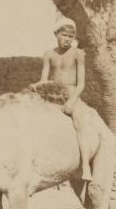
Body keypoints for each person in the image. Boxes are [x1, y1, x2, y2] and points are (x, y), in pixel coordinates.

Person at [37, 19, 95, 188]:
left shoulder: (78, 54)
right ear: (56, 35)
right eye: (64, 35)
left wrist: (71, 101)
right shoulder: (49, 54)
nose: (67, 39)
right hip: (53, 93)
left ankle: (85, 164)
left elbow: (81, 83)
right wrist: (37, 86)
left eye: (71, 36)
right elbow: (44, 80)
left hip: (71, 93)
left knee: (79, 122)